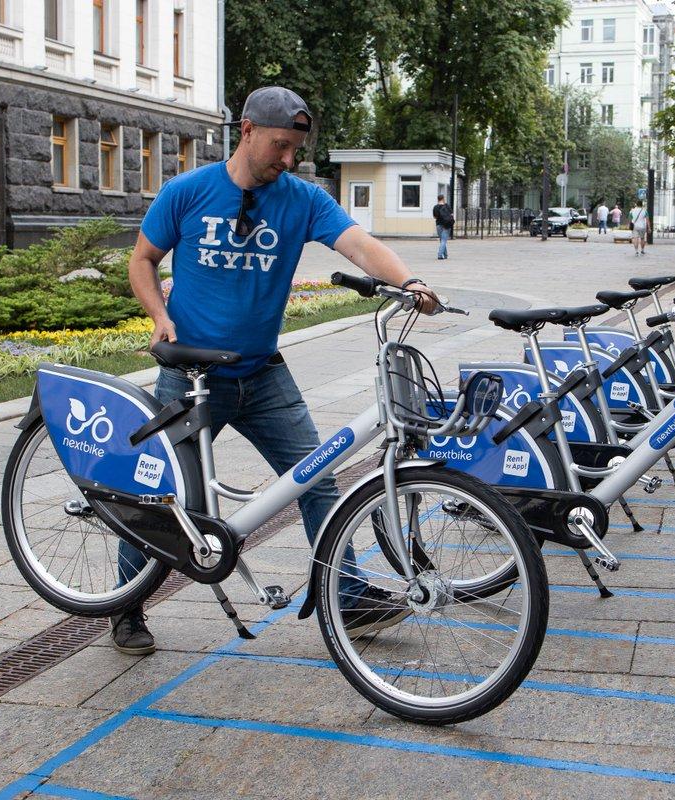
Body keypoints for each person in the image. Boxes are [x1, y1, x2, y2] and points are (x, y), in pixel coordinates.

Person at [114, 86, 438, 655]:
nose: (288, 159)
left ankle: (350, 597)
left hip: (263, 374)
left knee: (318, 478)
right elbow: (142, 260)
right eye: (280, 146)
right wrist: (160, 316)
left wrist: (407, 282)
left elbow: (358, 244)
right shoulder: (187, 192)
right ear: (247, 131)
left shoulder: (301, 199)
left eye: (295, 149)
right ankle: (125, 606)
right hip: (191, 375)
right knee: (157, 491)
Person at [432, 194, 453, 259]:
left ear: (438, 199)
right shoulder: (447, 206)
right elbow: (451, 215)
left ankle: (445, 255)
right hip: (446, 225)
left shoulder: (435, 207)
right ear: (443, 199)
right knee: (443, 240)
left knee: (442, 240)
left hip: (438, 225)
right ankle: (440, 255)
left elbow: (435, 217)